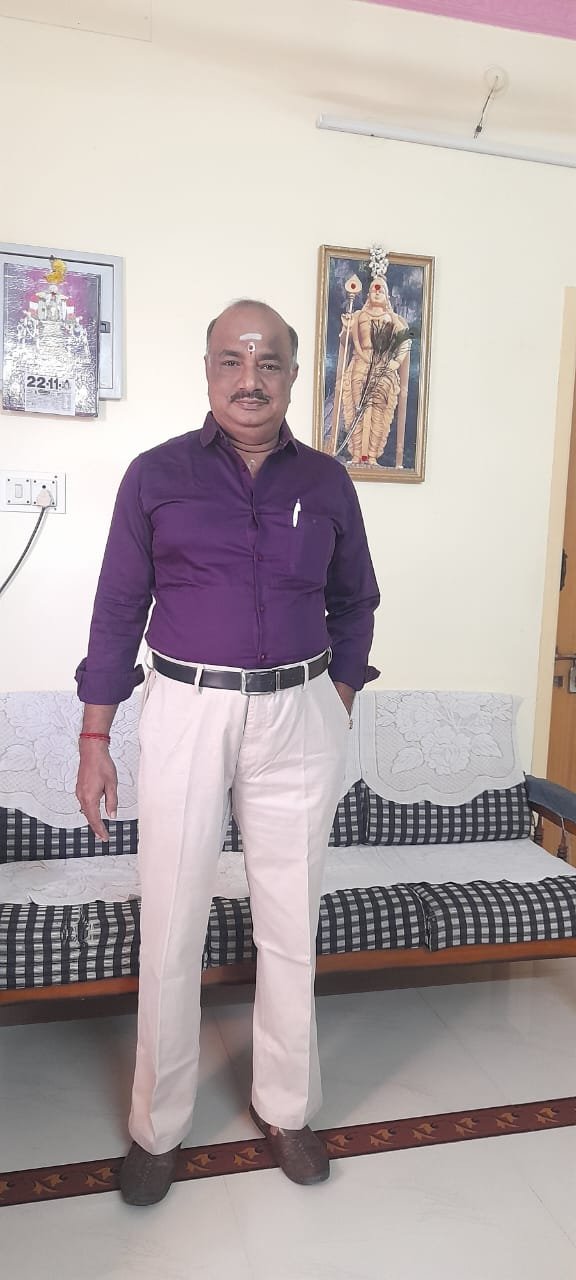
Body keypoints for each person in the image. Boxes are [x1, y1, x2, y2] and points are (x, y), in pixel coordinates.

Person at [75, 299, 380, 1206]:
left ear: (294, 373)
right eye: (231, 361)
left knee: (291, 919)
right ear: (208, 370)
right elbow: (117, 607)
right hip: (187, 708)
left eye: (269, 363)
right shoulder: (155, 475)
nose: (250, 380)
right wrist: (94, 734)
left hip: (300, 711)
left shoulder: (327, 481)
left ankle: (287, 1108)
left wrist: (339, 694)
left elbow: (356, 599)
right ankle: (157, 1127)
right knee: (172, 917)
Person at [341, 277, 411, 465]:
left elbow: (405, 341)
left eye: (381, 290)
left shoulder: (393, 319)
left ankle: (371, 455)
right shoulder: (359, 316)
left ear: (387, 296)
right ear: (368, 295)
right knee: (357, 408)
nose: (377, 293)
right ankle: (357, 454)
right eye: (374, 290)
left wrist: (396, 362)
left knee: (378, 410)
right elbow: (346, 340)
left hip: (383, 368)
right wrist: (347, 327)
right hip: (360, 364)